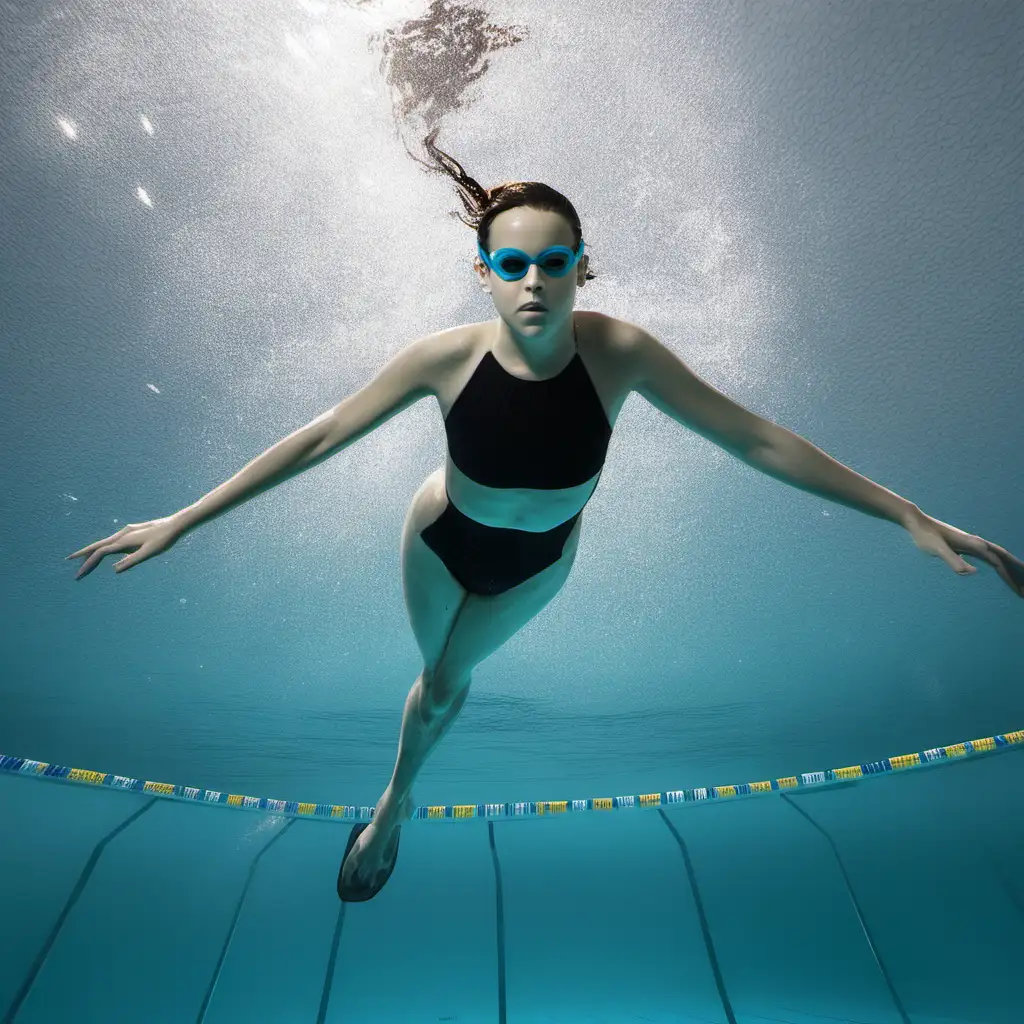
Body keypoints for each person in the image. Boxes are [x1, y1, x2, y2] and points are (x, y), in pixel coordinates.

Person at [68, 129, 1024, 903]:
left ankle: (394, 804)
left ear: (581, 270)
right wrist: (184, 519)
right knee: (438, 677)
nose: (533, 282)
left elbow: (757, 440)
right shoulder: (440, 359)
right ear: (483, 269)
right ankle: (399, 797)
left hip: (540, 564)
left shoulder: (622, 354)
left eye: (553, 263)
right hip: (437, 540)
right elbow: (321, 439)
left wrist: (908, 515)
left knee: (443, 683)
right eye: (512, 263)